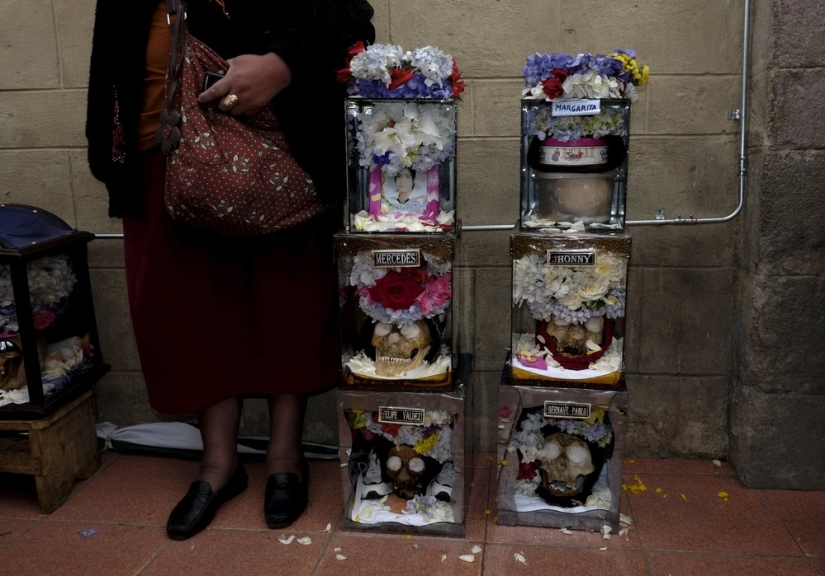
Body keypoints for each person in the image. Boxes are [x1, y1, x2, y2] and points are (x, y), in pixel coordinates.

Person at [86, 0, 374, 539]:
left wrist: (282, 63)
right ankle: (219, 465)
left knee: (284, 298)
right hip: (158, 153)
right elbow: (109, 57)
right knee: (193, 310)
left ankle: (286, 454)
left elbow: (348, 14)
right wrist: (108, 158)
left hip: (274, 152)